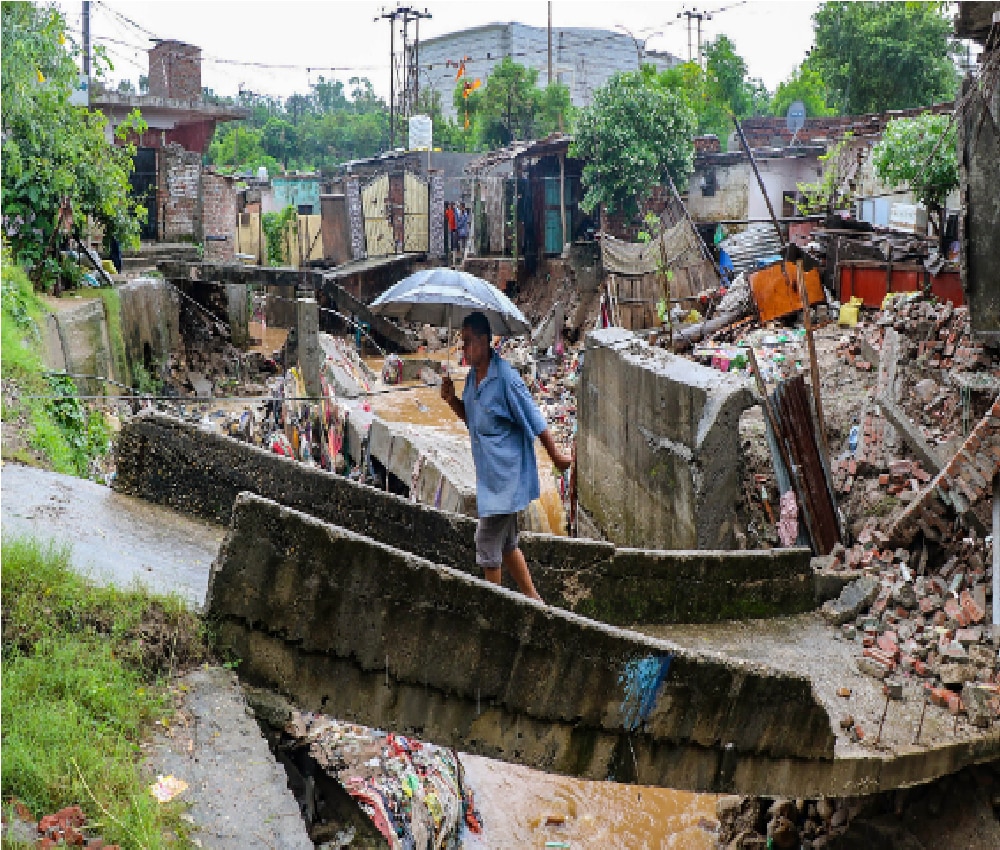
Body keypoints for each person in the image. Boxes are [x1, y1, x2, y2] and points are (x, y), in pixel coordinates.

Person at [441, 311, 572, 601]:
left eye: (469, 342)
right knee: (507, 543)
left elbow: (534, 418)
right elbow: (474, 420)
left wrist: (556, 456)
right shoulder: (474, 378)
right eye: (462, 343)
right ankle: (535, 601)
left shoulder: (506, 379)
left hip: (508, 476)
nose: (464, 348)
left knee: (486, 540)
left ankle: (495, 611)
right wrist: (452, 400)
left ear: (485, 341)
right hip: (490, 478)